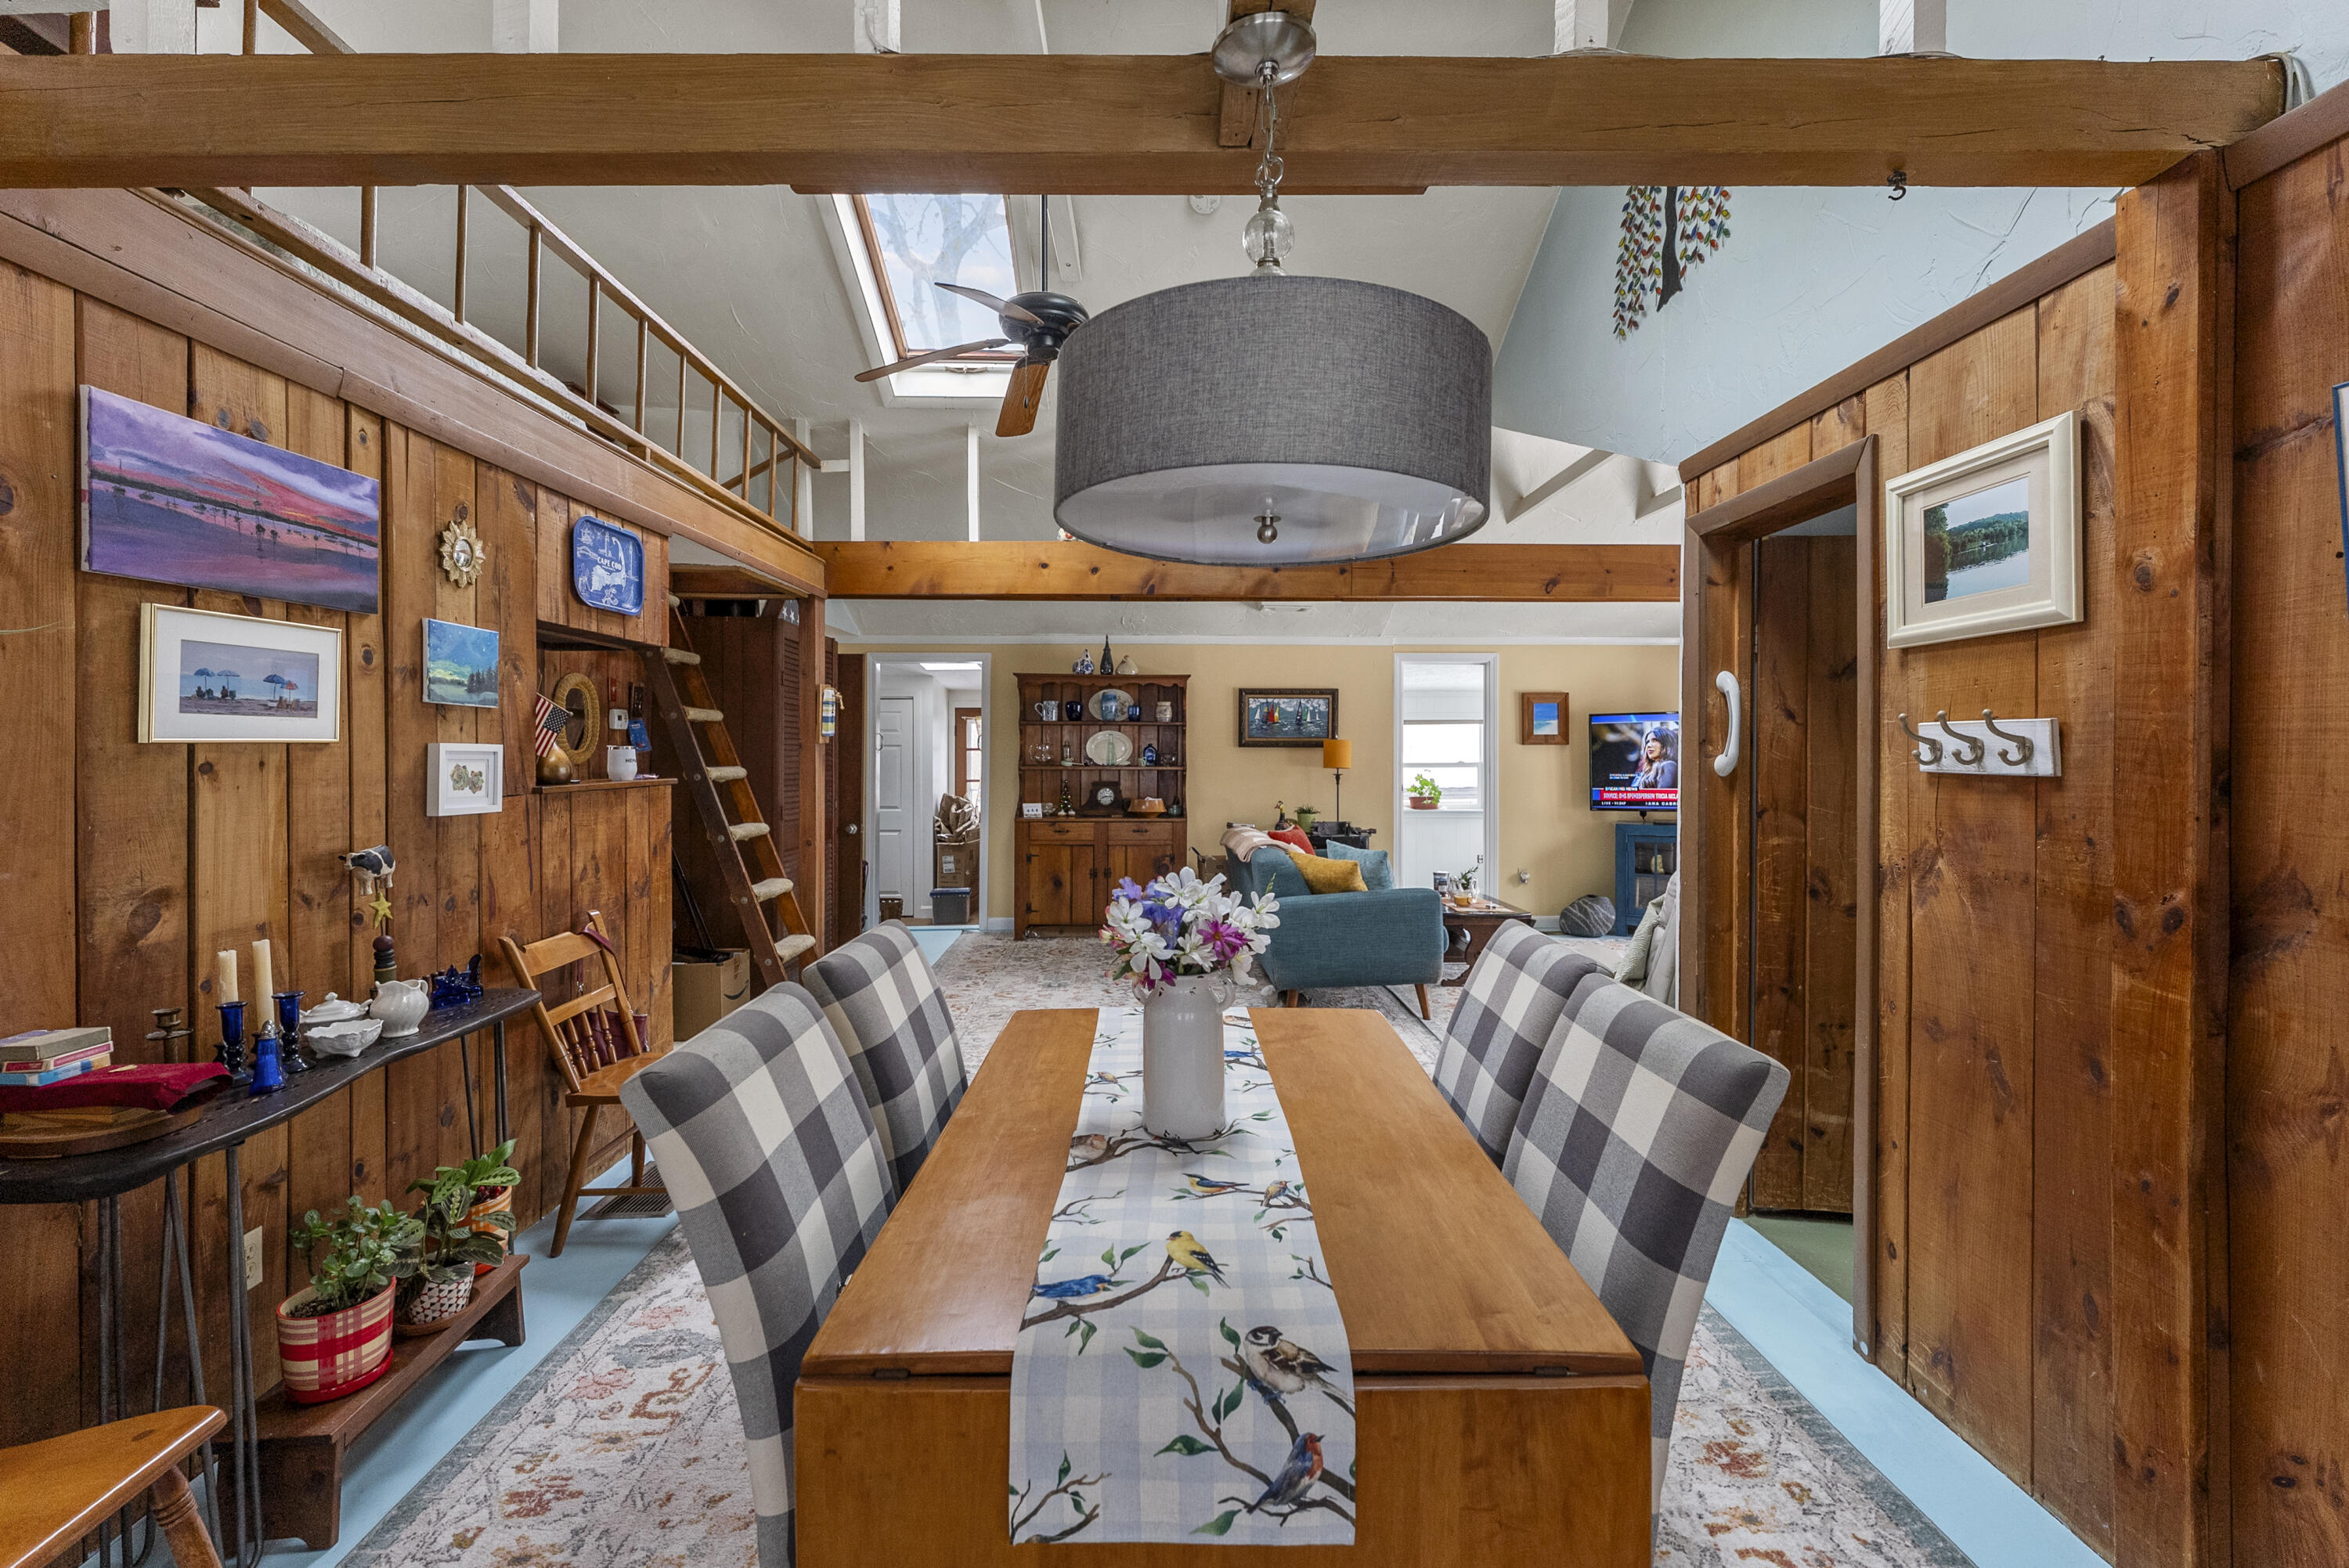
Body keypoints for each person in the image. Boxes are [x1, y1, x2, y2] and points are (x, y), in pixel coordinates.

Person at [1633, 726, 1678, 790]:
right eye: (1648, 742)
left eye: (1655, 740)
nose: (1649, 745)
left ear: (1666, 744)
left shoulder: (1669, 765)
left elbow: (1662, 796)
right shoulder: (1647, 769)